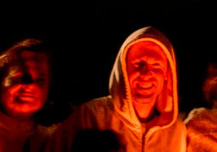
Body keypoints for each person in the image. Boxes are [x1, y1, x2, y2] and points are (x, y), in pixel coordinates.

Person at [48, 27, 186, 152]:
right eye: (138, 63)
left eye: (156, 66)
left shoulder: (177, 131)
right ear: (123, 68)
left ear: (167, 74)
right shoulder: (89, 116)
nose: (146, 73)